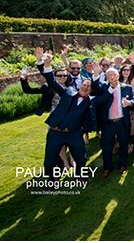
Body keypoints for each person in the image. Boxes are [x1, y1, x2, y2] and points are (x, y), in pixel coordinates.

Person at [35, 48, 95, 180]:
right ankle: (51, 181)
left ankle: (80, 175)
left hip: (74, 134)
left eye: (88, 86)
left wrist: (81, 131)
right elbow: (52, 82)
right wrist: (47, 64)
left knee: (81, 158)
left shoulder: (90, 103)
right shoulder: (68, 93)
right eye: (84, 85)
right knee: (49, 161)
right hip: (55, 132)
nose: (85, 87)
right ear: (79, 86)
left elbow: (90, 120)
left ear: (91, 90)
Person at [92, 65, 134, 178]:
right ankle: (107, 168)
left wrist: (130, 103)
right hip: (108, 123)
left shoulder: (127, 87)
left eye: (114, 74)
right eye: (109, 75)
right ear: (106, 77)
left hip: (122, 121)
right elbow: (96, 88)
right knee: (106, 146)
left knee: (123, 143)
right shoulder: (104, 87)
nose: (112, 77)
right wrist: (96, 74)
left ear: (118, 75)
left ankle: (123, 164)